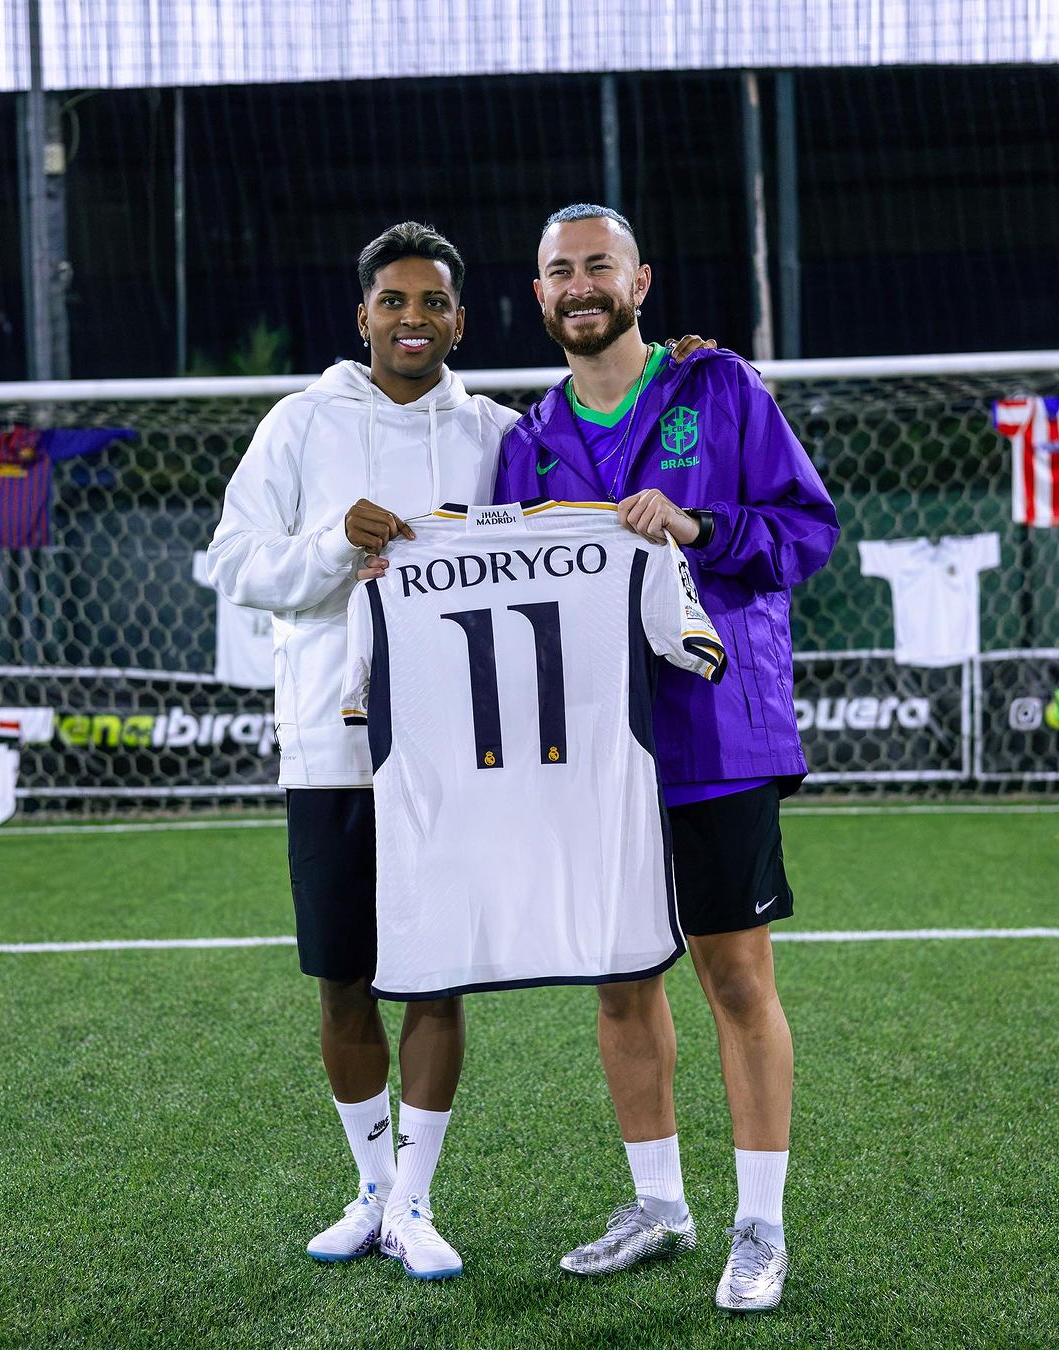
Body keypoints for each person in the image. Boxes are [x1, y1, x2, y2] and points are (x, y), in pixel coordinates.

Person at [492, 204, 839, 1311]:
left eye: (598, 266)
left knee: (736, 978)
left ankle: (758, 1225)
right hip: (592, 753)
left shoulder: (720, 389)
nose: (580, 285)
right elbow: (503, 607)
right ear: (540, 294)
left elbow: (809, 533)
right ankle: (659, 1202)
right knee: (619, 978)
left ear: (640, 278)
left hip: (715, 740)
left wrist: (697, 526)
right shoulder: (526, 440)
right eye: (560, 272)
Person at [206, 222, 519, 1281]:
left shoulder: (495, 433)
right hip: (327, 751)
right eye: (395, 300)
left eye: (433, 302)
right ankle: (372, 1190)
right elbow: (235, 562)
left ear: (460, 321)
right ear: (363, 317)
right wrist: (339, 541)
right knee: (342, 979)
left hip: (452, 754)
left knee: (437, 979)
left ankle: (418, 1205)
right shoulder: (299, 423)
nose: (414, 319)